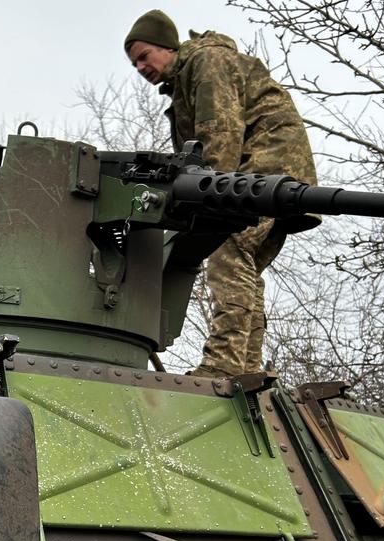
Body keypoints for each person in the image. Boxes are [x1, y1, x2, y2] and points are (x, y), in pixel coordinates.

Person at [124, 9, 319, 378]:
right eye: (135, 64)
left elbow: (221, 134)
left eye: (144, 56)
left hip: (263, 170)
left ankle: (222, 365)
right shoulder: (188, 78)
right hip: (271, 174)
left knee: (226, 252)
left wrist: (210, 200)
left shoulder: (205, 61)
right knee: (244, 270)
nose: (141, 68)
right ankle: (245, 368)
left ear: (166, 46)